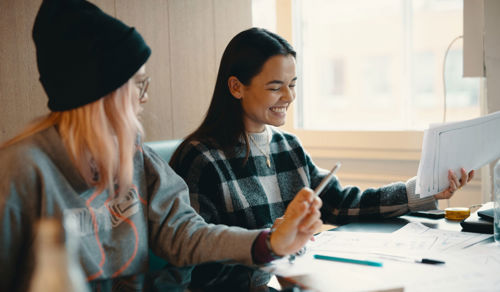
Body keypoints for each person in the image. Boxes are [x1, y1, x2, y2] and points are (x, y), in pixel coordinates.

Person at [0, 2, 323, 292]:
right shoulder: (20, 169)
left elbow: (184, 234)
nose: (145, 97)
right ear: (102, 91)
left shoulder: (135, 154)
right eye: (139, 84)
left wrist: (269, 243)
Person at [169, 27, 475, 291]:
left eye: (292, 85)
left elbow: (341, 204)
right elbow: (198, 261)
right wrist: (271, 242)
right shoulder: (201, 158)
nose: (288, 98)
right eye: (276, 87)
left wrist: (421, 190)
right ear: (236, 87)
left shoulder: (288, 147)